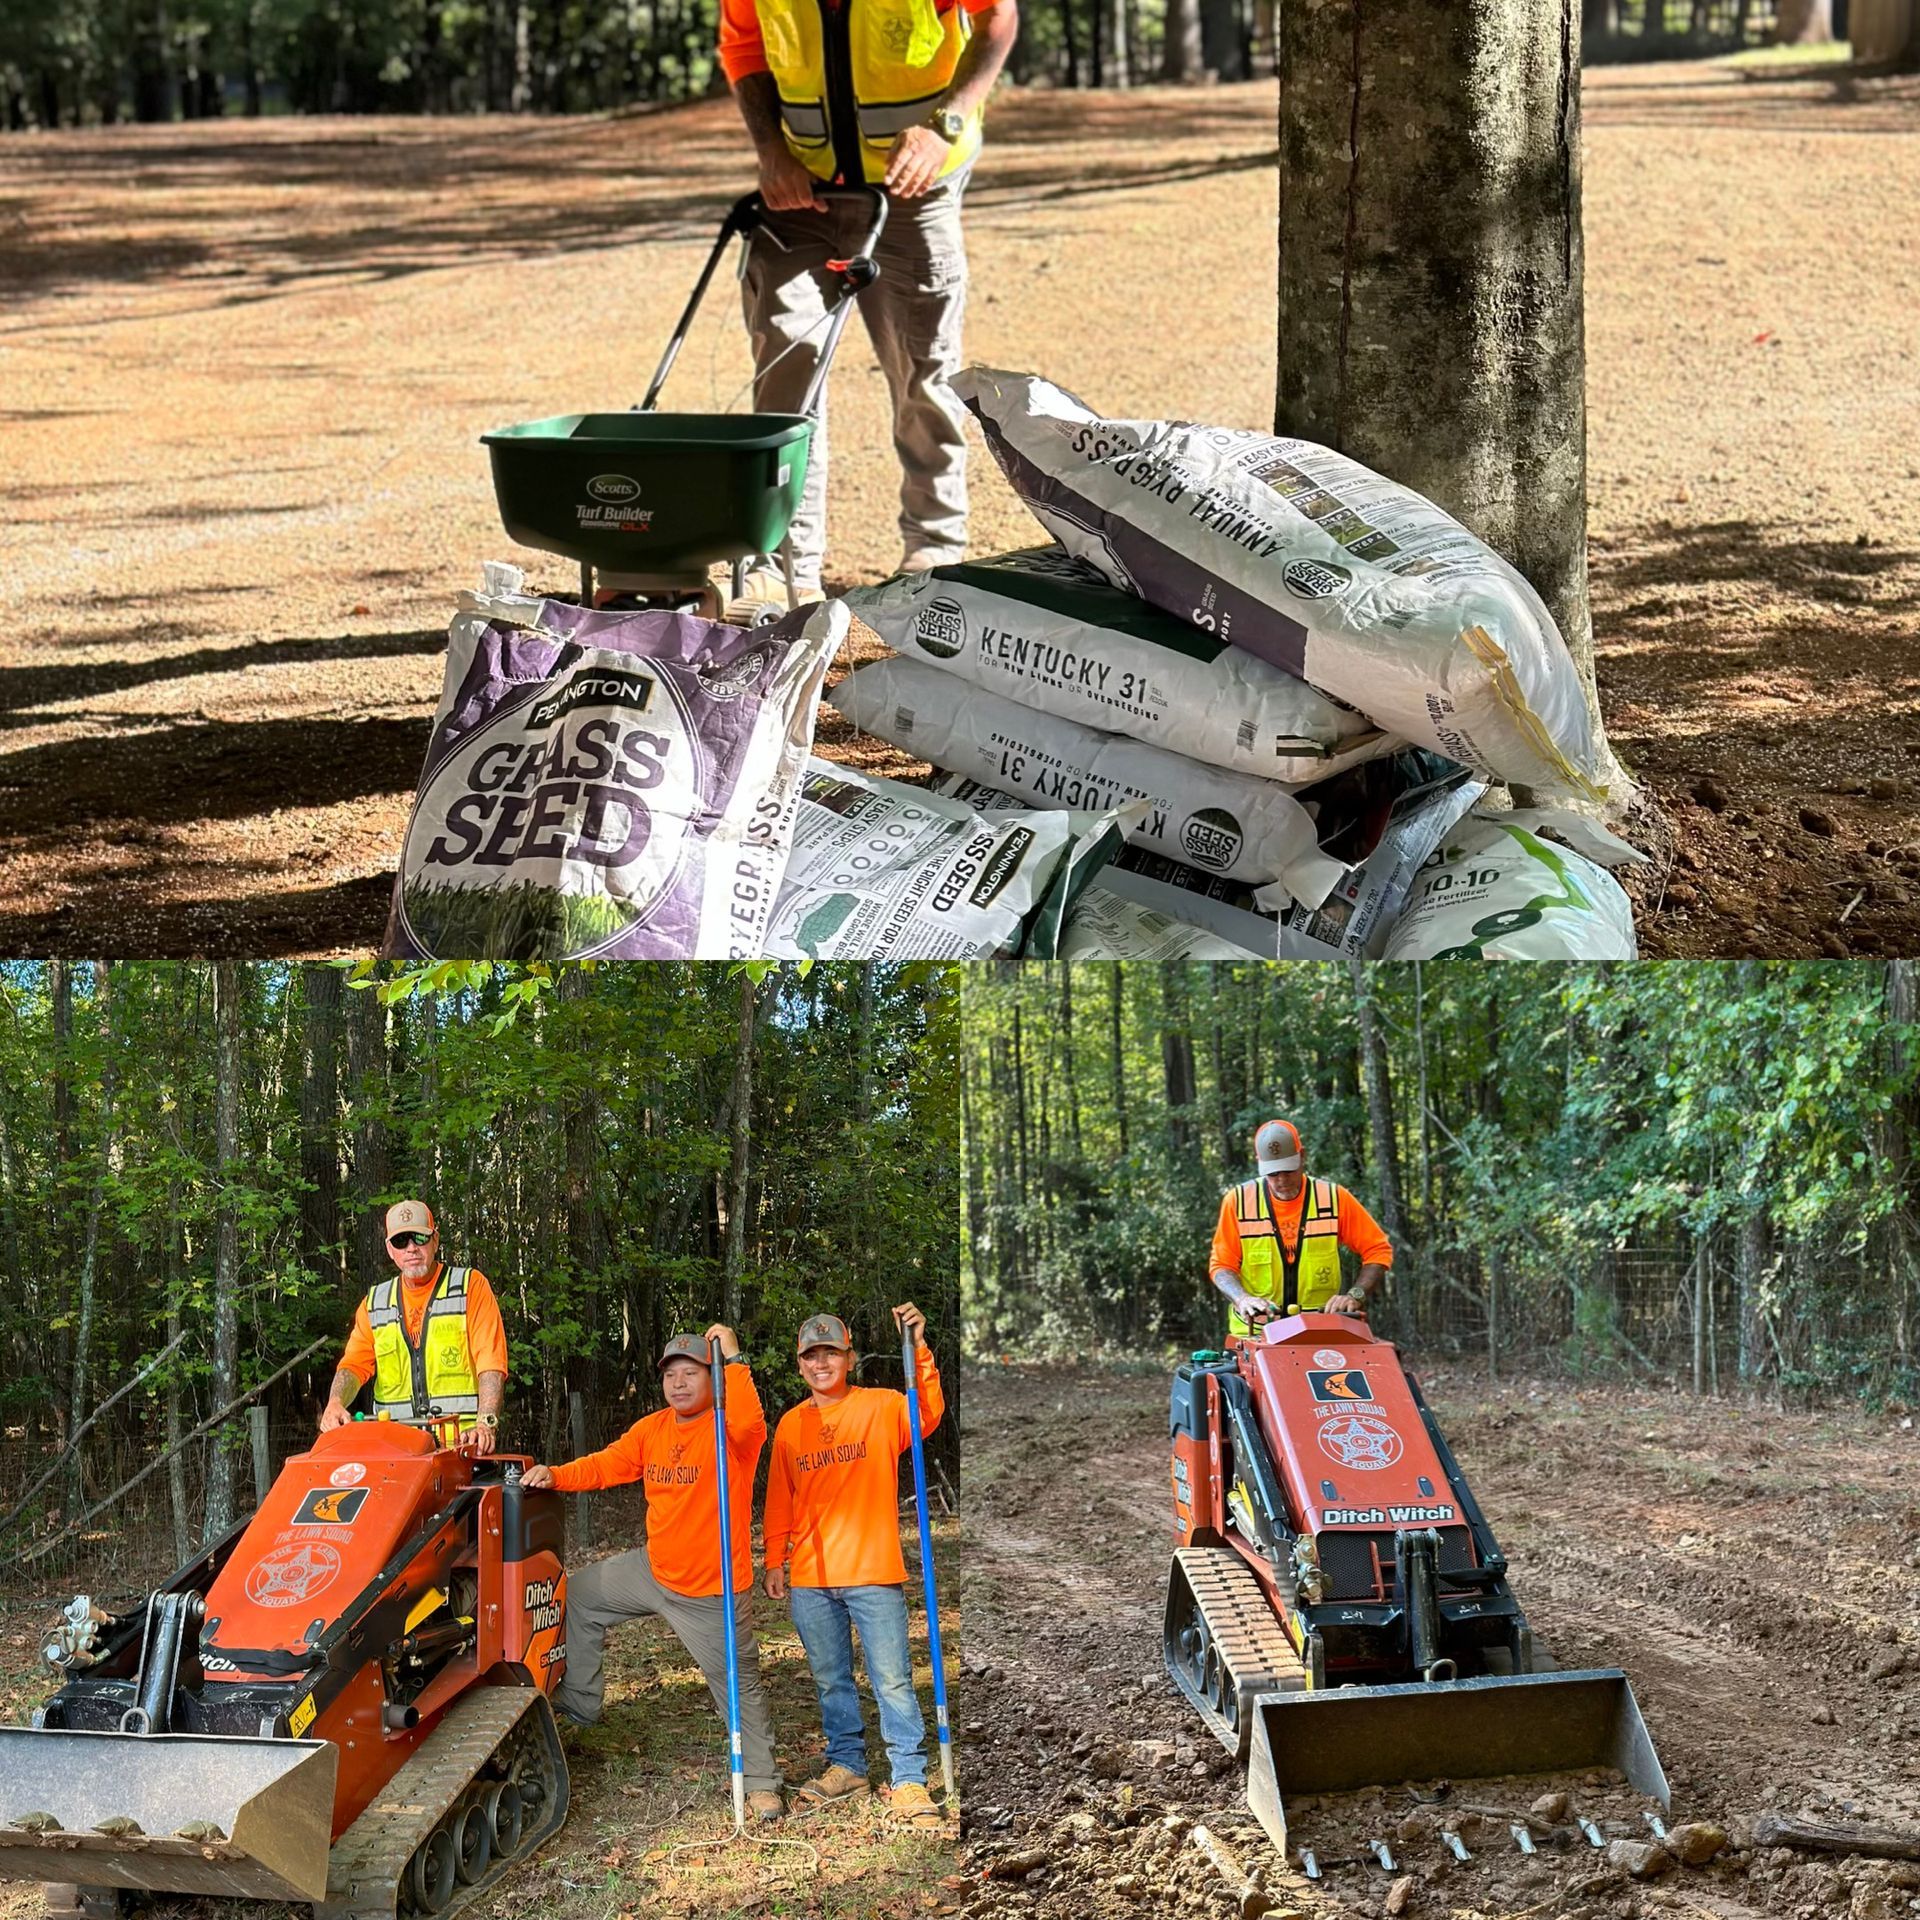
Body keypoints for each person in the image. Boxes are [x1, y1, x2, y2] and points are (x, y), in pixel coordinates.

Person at [716, 0, 1020, 600]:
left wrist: (944, 125)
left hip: (916, 186)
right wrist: (771, 151)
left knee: (921, 368)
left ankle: (935, 547)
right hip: (799, 193)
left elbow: (997, 18)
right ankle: (782, 570)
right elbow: (745, 47)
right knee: (785, 362)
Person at [523, 1328, 784, 1822]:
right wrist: (557, 1474)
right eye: (671, 1375)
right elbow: (607, 1465)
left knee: (737, 1682)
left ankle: (762, 1781)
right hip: (653, 1568)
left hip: (711, 1590)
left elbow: (752, 1418)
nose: (680, 1384)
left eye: (692, 1373)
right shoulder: (653, 1429)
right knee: (575, 1595)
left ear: (714, 1379)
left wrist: (734, 1353)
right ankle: (579, 1701)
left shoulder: (732, 1430)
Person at [763, 1304, 946, 1829]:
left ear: (850, 1358)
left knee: (891, 1680)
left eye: (831, 1353)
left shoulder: (885, 1406)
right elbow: (780, 1498)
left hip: (873, 1571)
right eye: (811, 1355)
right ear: (801, 1365)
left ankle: (908, 1778)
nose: (821, 1363)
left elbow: (928, 1412)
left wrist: (918, 1346)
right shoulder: (791, 1425)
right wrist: (775, 1558)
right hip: (812, 1578)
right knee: (830, 1680)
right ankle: (847, 1765)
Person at [320, 1201, 508, 1451]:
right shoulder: (375, 1303)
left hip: (461, 1447)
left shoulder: (469, 1287)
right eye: (401, 1241)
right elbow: (353, 1365)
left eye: (420, 1237)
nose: (411, 1248)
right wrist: (335, 1402)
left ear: (435, 1239)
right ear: (390, 1249)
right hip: (396, 1450)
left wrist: (485, 1423)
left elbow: (491, 1363)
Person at [1209, 1120, 1393, 1339]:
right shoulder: (1238, 1202)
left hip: (1320, 1330)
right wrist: (1242, 1298)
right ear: (1260, 1164)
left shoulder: (1334, 1199)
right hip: (1257, 1334)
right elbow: (1221, 1266)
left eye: (1289, 1170)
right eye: (1273, 1173)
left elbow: (1378, 1250)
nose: (1282, 1180)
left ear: (1302, 1156)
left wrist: (1355, 1295)